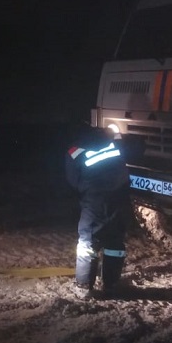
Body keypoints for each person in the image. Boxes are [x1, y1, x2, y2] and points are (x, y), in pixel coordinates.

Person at [65, 123, 135, 299]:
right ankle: (111, 285)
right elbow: (131, 152)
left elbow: (73, 179)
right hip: (119, 199)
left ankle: (84, 287)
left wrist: (85, 190)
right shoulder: (114, 142)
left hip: (94, 200)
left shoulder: (74, 151)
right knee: (115, 242)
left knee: (88, 242)